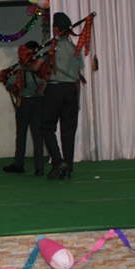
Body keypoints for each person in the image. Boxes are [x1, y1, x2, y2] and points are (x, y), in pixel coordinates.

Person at [38, 12, 83, 180]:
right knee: (68, 131)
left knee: (46, 127)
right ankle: (68, 167)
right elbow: (78, 73)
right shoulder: (74, 47)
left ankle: (58, 162)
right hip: (72, 90)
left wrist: (28, 61)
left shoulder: (51, 47)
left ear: (56, 29)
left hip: (55, 89)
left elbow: (37, 66)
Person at [0, 41, 45, 175]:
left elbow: (10, 82)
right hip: (39, 101)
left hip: (24, 102)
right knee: (37, 135)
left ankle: (19, 164)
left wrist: (10, 85)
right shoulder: (42, 64)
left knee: (21, 134)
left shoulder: (21, 66)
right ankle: (39, 167)